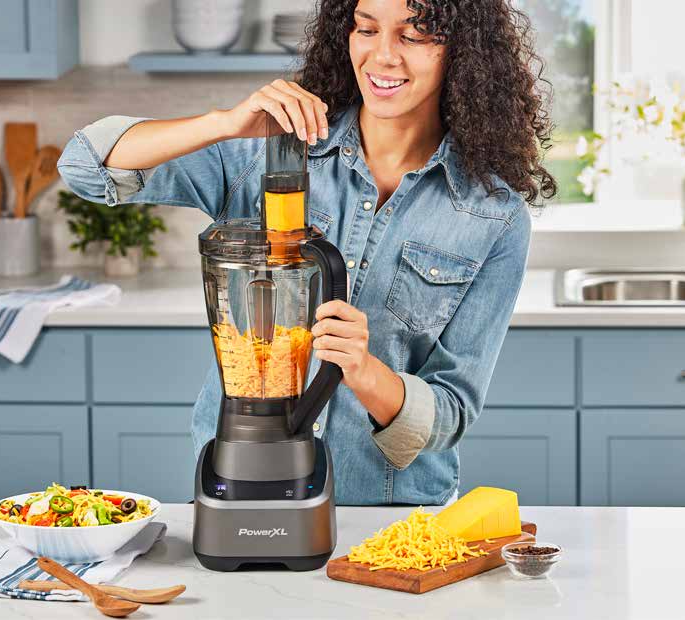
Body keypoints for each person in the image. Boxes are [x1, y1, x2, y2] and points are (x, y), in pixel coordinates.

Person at [57, 0, 556, 505]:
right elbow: (84, 165)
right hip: (241, 486)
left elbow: (450, 413)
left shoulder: (493, 216)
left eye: (415, 34)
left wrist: (365, 372)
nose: (382, 56)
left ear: (463, 52)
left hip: (387, 515)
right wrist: (225, 122)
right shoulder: (269, 153)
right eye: (366, 29)